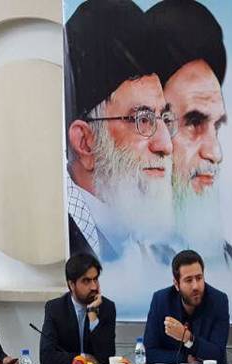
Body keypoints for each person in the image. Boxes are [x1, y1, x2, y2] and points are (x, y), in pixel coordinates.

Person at [64, 0, 174, 263]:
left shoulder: (162, 256)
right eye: (143, 119)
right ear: (85, 142)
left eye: (165, 118)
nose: (166, 144)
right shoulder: (57, 237)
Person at [146, 0, 232, 270]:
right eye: (194, 122)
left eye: (216, 126)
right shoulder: (115, 257)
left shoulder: (229, 263)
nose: (215, 153)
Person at [143, 249, 229, 364]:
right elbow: (148, 353)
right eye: (188, 280)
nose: (195, 286)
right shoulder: (161, 301)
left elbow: (218, 354)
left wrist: (188, 338)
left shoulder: (218, 301)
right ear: (176, 284)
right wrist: (183, 359)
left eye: (199, 278)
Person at [40, 253, 117, 364]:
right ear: (71, 284)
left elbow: (106, 358)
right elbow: (47, 358)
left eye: (95, 279)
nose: (94, 287)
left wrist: (93, 316)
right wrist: (82, 358)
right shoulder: (55, 309)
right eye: (86, 281)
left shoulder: (107, 307)